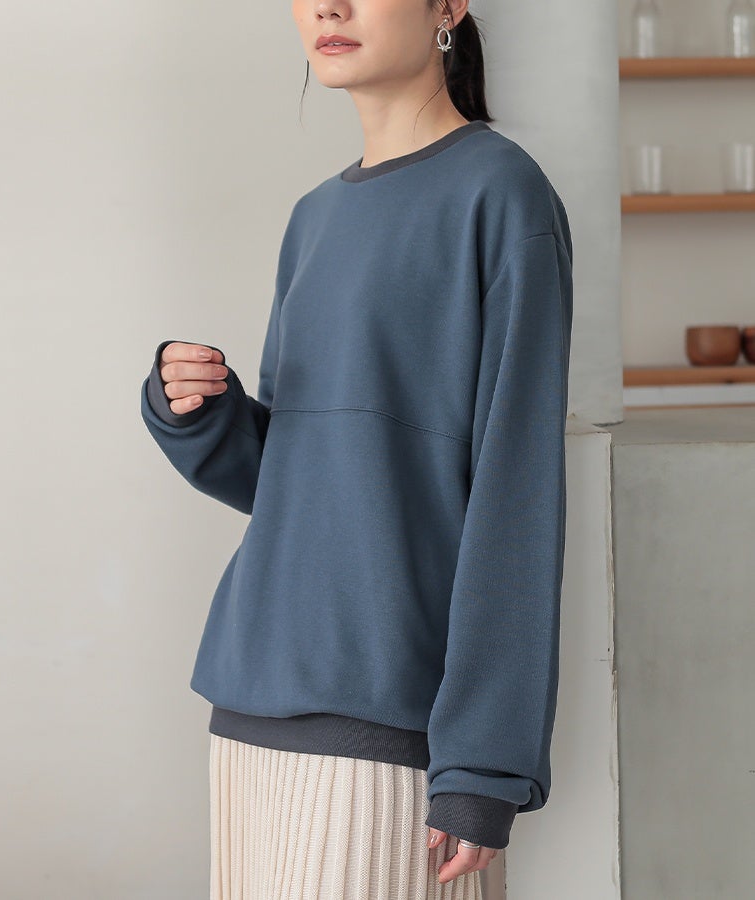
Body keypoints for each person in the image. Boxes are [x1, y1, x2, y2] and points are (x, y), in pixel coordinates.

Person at [140, 0, 573, 897]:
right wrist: (200, 416)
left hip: (388, 723)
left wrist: (484, 764)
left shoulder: (500, 194)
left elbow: (518, 497)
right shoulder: (316, 215)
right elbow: (303, 480)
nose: (328, 8)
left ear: (448, 5)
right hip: (253, 705)